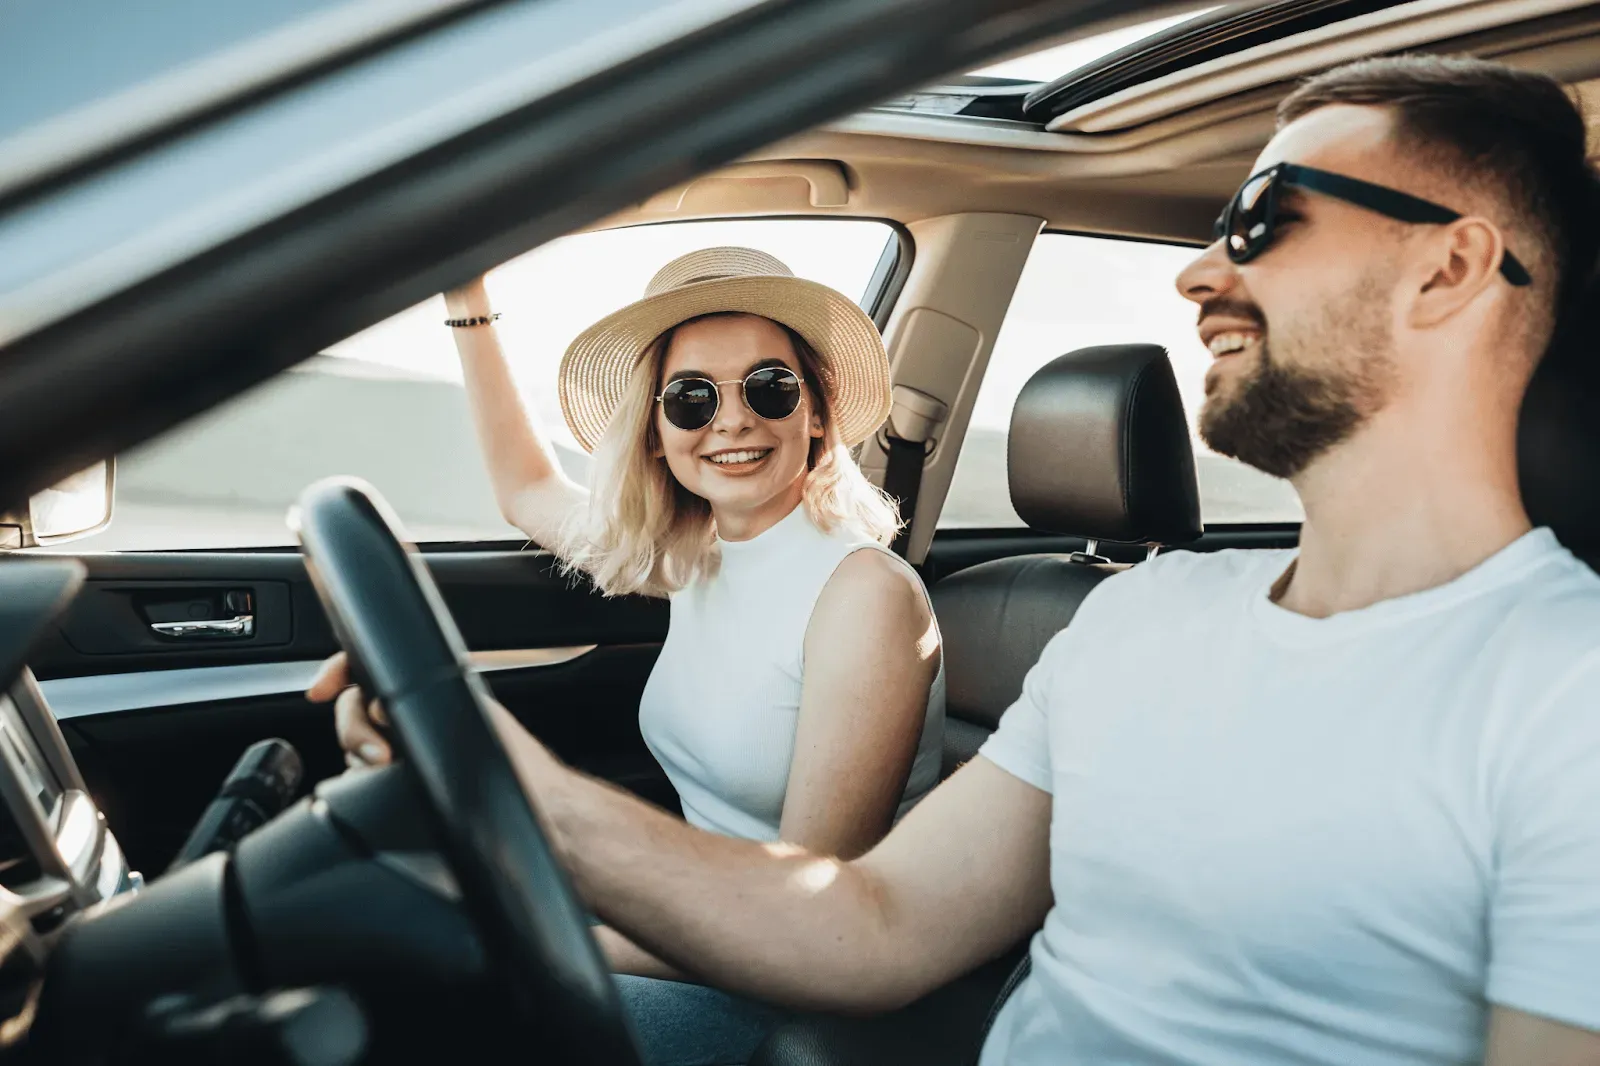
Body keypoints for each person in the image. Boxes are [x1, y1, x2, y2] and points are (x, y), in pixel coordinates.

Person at [468, 55, 1600, 1065]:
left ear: (1448, 269)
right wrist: (523, 797)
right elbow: (872, 927)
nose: (1197, 273)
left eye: (1261, 221)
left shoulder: (1566, 690)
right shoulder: (1138, 617)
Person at [307, 247, 946, 1063]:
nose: (733, 419)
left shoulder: (867, 597)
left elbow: (807, 922)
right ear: (655, 429)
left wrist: (544, 934)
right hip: (701, 938)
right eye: (690, 398)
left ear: (816, 414)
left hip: (789, 986)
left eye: (769, 386)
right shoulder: (697, 556)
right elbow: (524, 490)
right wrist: (465, 296)